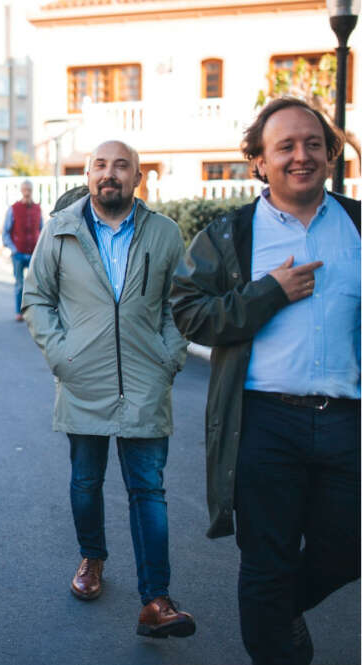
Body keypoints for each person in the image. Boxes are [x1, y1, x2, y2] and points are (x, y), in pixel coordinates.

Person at [171, 97, 360, 665]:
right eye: (285, 146)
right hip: (263, 423)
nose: (301, 156)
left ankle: (278, 613)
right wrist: (267, 293)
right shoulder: (231, 235)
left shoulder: (357, 224)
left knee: (347, 551)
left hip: (347, 421)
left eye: (314, 144)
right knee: (266, 563)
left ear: (330, 155)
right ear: (257, 161)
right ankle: (279, 645)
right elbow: (190, 313)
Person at [22, 140, 196, 639]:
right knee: (85, 482)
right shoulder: (60, 230)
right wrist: (62, 356)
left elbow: (176, 305)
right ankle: (92, 557)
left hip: (146, 377)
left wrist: (170, 355)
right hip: (83, 377)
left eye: (122, 166)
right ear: (89, 174)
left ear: (138, 177)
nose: (110, 174)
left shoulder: (164, 233)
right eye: (101, 165)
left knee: (148, 490)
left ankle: (156, 600)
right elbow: (37, 299)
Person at [2, 181, 41, 321]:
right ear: (21, 190)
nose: (27, 191)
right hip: (18, 252)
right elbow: (5, 232)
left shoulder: (38, 208)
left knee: (35, 285)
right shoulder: (13, 208)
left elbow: (41, 230)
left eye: (29, 189)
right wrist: (13, 249)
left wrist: (40, 249)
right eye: (24, 189)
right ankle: (19, 312)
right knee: (19, 284)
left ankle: (32, 312)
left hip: (34, 253)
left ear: (32, 190)